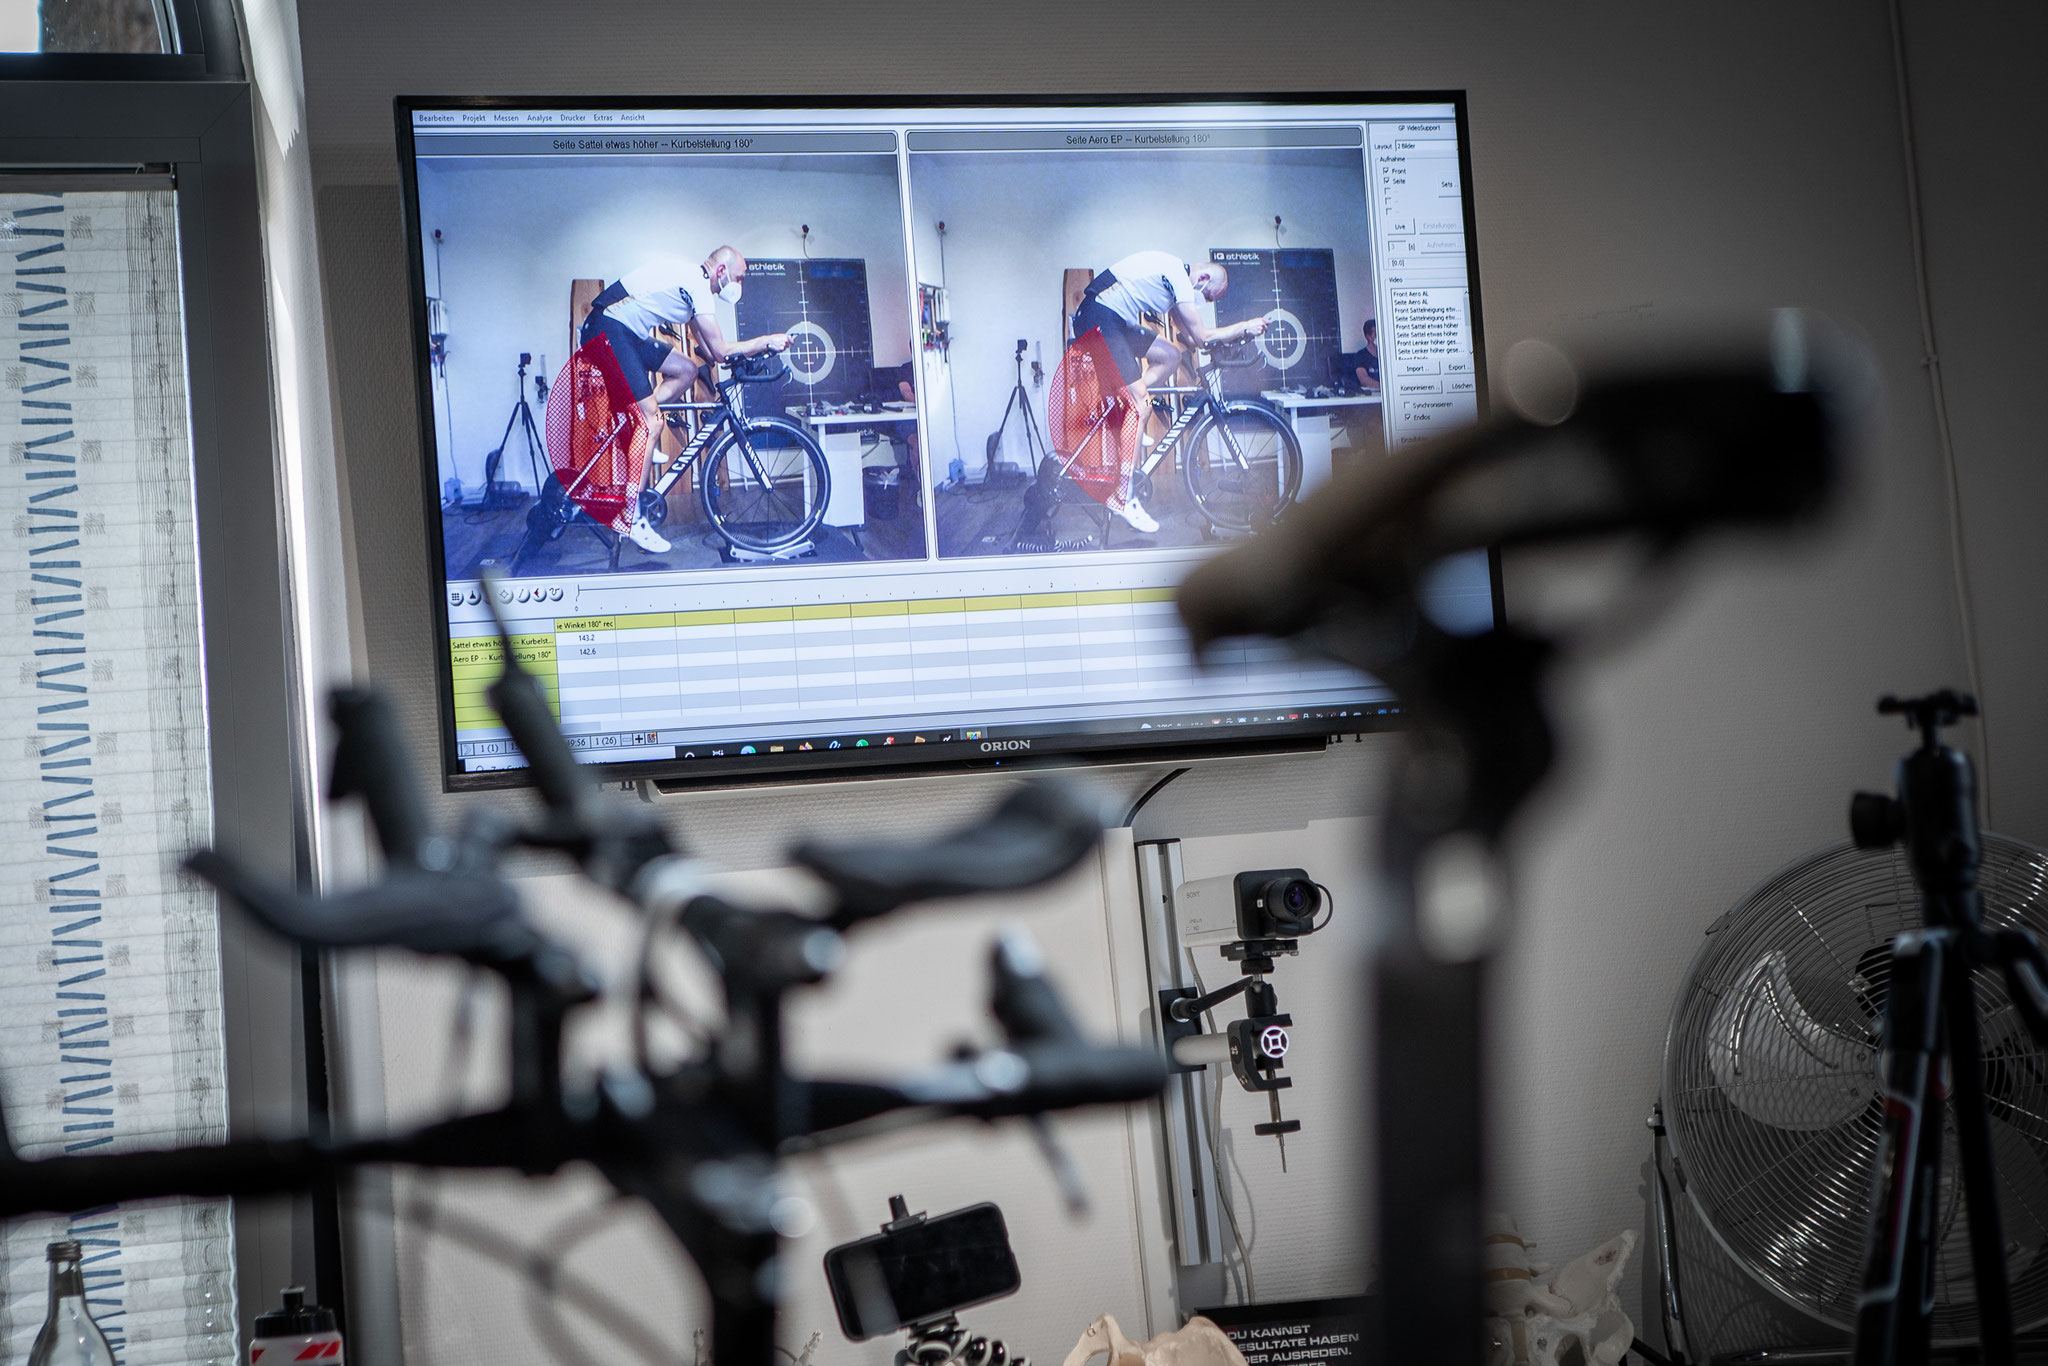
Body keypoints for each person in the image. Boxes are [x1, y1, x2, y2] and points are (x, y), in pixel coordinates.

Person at [578, 246, 790, 551]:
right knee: (652, 424)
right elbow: (720, 350)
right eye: (739, 277)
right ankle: (632, 517)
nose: (739, 285)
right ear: (722, 272)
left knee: (686, 370)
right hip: (608, 329)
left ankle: (637, 427)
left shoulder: (692, 292)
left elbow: (707, 351)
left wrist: (748, 355)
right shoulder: (697, 284)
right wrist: (764, 341)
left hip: (625, 331)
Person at [1066, 251, 1268, 533]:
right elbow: (1203, 336)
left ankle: (1127, 411)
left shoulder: (1175, 286)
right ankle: (1122, 497)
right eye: (1209, 297)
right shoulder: (1178, 276)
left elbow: (1188, 338)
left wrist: (1233, 339)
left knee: (1170, 356)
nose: (1205, 301)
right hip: (1100, 317)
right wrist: (1244, 326)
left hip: (1112, 320)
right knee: (1140, 406)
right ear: (1203, 279)